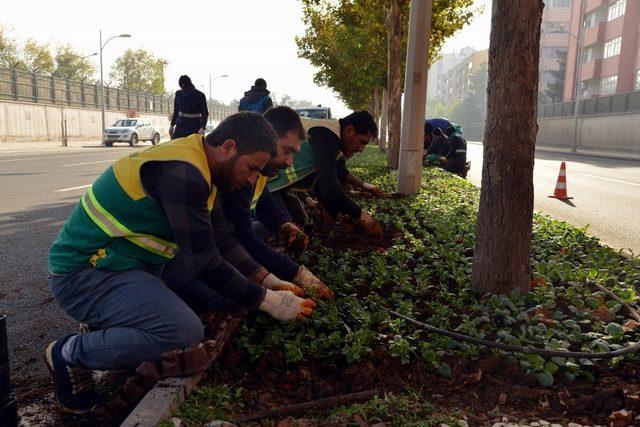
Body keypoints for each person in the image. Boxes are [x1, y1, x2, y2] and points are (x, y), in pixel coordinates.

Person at [45, 112, 316, 413]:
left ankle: (103, 326)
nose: (253, 180)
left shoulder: (203, 166)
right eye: (252, 169)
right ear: (228, 147)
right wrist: (271, 302)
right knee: (182, 332)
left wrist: (272, 282)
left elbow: (223, 240)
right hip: (84, 274)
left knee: (214, 303)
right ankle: (68, 353)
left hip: (124, 268)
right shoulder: (184, 173)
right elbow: (205, 261)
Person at [220, 106, 334, 300]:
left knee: (267, 229)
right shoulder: (241, 173)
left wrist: (285, 226)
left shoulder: (261, 172)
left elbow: (267, 207)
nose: (290, 162)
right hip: (206, 249)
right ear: (267, 137)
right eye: (287, 151)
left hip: (224, 239)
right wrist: (295, 274)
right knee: (227, 297)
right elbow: (242, 235)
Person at [267, 111, 384, 237]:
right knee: (282, 230)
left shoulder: (334, 141)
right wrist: (359, 214)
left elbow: (338, 174)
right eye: (362, 142)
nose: (361, 149)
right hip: (267, 183)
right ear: (349, 130)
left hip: (281, 186)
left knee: (300, 221)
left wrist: (335, 214)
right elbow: (329, 187)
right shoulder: (326, 136)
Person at [170, 75, 209, 139]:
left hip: (194, 128)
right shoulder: (178, 94)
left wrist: (202, 128)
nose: (183, 89)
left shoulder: (200, 95)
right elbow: (176, 111)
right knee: (173, 146)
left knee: (195, 148)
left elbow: (205, 113)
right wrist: (172, 125)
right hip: (180, 127)